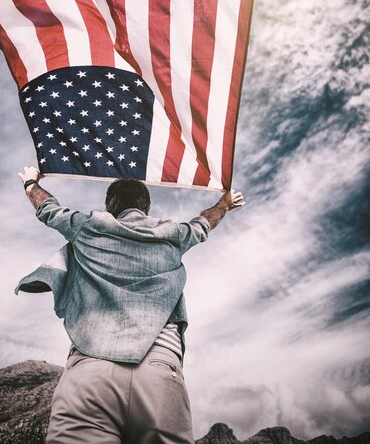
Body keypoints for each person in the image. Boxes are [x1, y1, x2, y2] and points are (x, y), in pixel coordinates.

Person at [17, 166, 244, 444]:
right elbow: (206, 221)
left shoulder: (88, 226)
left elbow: (48, 208)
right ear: (146, 207)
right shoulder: (174, 234)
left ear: (109, 207)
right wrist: (225, 203)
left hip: (91, 365)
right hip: (160, 367)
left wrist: (30, 182)